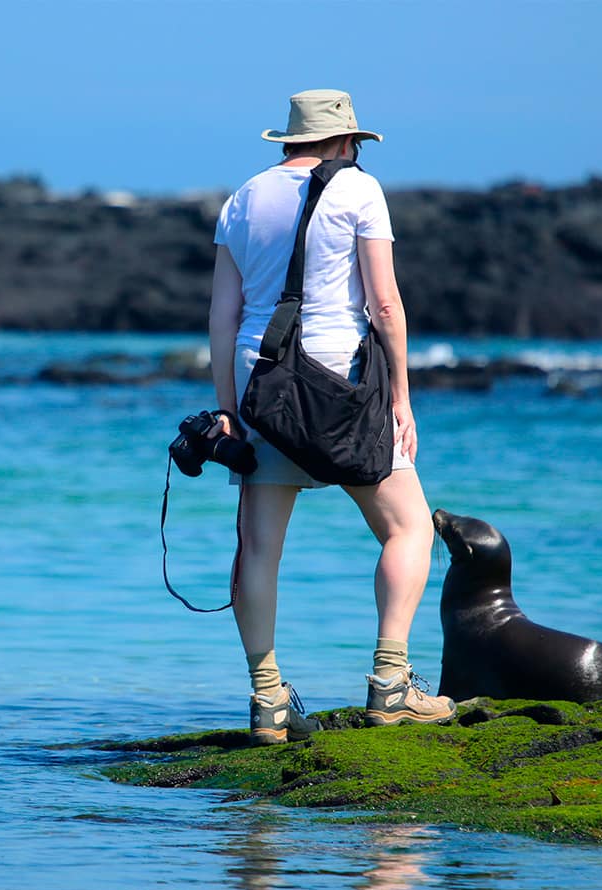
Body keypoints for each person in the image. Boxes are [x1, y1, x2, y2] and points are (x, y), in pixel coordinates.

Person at [207, 89, 456, 746]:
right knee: (409, 529)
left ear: (288, 140)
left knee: (258, 547)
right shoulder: (358, 192)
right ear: (346, 141)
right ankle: (390, 684)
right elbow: (385, 306)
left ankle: (266, 701)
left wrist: (229, 413)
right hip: (339, 382)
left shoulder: (242, 198)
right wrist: (401, 397)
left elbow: (222, 317)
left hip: (260, 380)